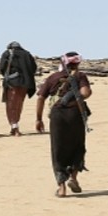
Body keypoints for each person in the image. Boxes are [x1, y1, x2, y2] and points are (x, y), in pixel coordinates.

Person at [35, 52, 92, 197]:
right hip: (75, 114)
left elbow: (41, 97)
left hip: (57, 115)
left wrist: (38, 119)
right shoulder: (80, 76)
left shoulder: (53, 77)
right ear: (77, 63)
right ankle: (73, 178)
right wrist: (74, 96)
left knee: (58, 149)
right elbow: (86, 93)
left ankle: (61, 188)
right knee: (77, 146)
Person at [0, 41, 38, 136]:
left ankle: (14, 126)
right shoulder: (27, 54)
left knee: (11, 106)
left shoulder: (7, 53)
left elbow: (2, 68)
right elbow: (33, 68)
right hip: (24, 84)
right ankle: (14, 126)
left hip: (12, 83)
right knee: (18, 105)